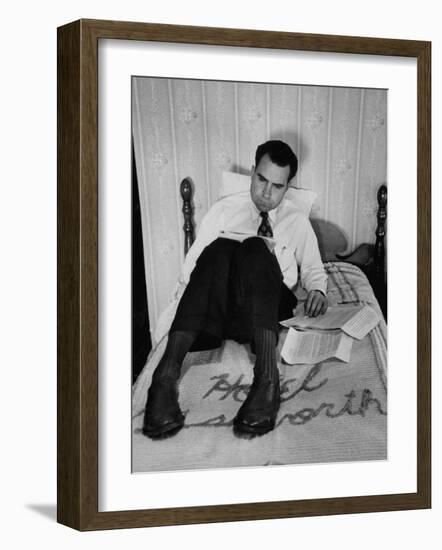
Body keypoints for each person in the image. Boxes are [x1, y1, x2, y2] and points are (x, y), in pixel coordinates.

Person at [143, 140, 328, 440]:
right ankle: (164, 378)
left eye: (277, 187)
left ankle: (267, 379)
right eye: (261, 180)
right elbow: (193, 270)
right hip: (222, 311)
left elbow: (313, 270)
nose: (266, 193)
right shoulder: (223, 210)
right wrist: (176, 312)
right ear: (253, 173)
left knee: (256, 247)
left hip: (268, 310)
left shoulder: (297, 221)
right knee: (219, 249)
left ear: (288, 187)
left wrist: (318, 290)